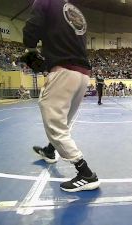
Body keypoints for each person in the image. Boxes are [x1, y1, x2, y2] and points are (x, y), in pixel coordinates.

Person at [23, 0, 100, 192]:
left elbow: (32, 27)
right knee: (64, 120)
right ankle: (50, 150)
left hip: (64, 70)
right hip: (82, 73)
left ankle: (85, 173)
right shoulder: (76, 9)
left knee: (54, 121)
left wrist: (30, 49)